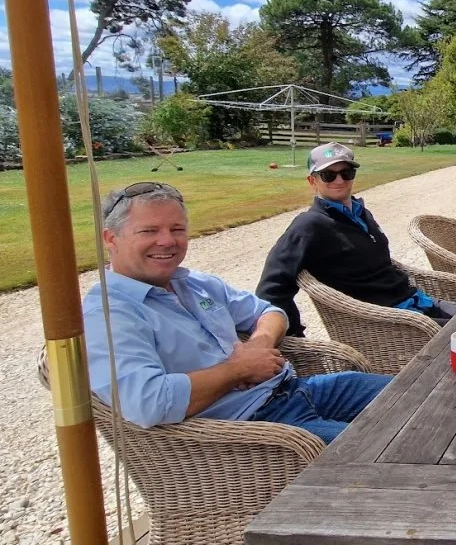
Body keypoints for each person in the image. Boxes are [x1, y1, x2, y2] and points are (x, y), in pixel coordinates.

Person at [83, 182, 391, 444]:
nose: (167, 241)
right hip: (257, 428)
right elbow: (149, 402)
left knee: (417, 396)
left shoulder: (193, 283)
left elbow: (270, 312)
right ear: (111, 239)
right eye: (149, 230)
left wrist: (260, 344)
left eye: (177, 229)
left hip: (296, 390)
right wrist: (237, 370)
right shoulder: (110, 313)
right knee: (392, 444)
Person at [256, 142, 456, 337]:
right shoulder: (309, 226)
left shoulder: (361, 213)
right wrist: (294, 335)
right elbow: (272, 288)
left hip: (418, 301)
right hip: (393, 320)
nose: (339, 181)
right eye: (328, 175)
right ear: (312, 181)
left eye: (347, 173)